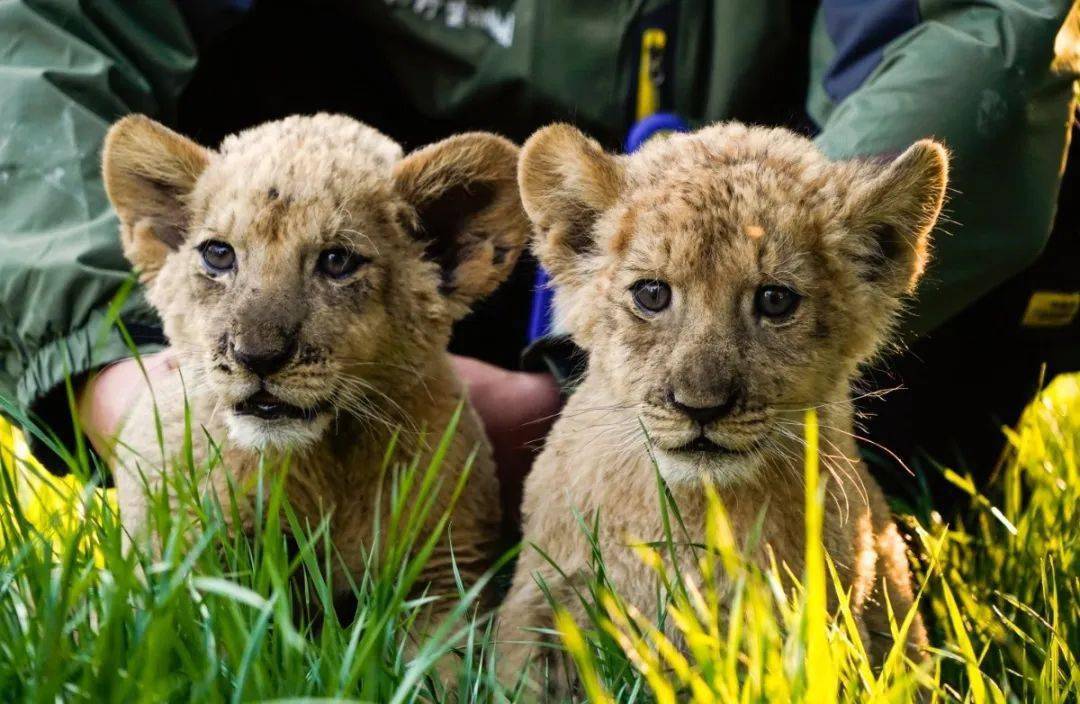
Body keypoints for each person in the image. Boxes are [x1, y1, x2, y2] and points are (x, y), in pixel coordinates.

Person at [1, 0, 1077, 516]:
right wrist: (119, 371)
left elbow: (977, 35)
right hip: (402, 273)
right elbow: (48, 26)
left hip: (767, 309)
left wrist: (617, 381)